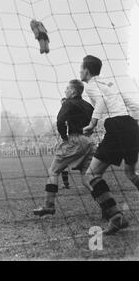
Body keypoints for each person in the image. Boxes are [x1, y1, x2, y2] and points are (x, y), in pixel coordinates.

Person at [81, 55, 139, 235]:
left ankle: (116, 218)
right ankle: (115, 217)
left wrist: (92, 124)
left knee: (91, 174)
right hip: (131, 125)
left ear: (87, 71)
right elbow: (131, 104)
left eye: (81, 68)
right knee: (130, 173)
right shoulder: (109, 83)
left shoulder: (90, 85)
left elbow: (101, 102)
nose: (80, 71)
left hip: (116, 127)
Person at [33, 79, 96, 217]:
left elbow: (60, 121)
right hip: (89, 142)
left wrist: (64, 136)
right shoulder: (88, 106)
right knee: (87, 178)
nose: (65, 91)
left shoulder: (68, 102)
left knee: (53, 171)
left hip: (75, 139)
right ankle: (108, 207)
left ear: (73, 91)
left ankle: (49, 206)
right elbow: (94, 121)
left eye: (67, 88)